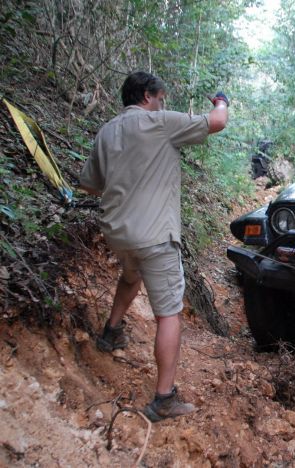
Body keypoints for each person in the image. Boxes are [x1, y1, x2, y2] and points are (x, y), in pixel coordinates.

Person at [79, 71, 229, 422]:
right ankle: (164, 399)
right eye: (160, 99)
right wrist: (221, 100)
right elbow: (217, 122)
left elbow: (90, 185)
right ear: (147, 96)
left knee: (131, 277)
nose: (163, 105)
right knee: (168, 313)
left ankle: (111, 333)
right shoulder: (160, 123)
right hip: (155, 236)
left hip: (118, 233)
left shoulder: (107, 131)